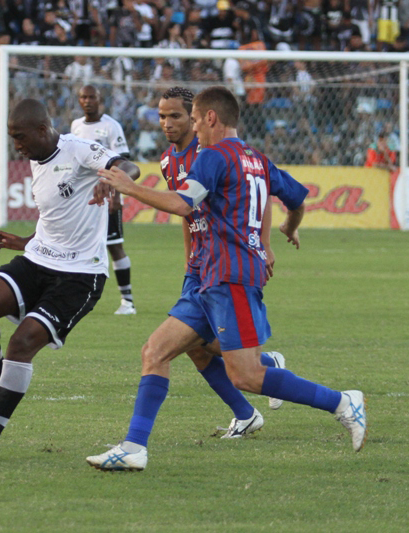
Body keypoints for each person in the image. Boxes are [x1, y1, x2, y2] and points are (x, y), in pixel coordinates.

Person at [86, 86, 367, 471]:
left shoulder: (214, 156)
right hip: (209, 274)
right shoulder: (257, 158)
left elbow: (184, 204)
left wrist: (131, 188)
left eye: (195, 120)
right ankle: (134, 447)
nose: (194, 129)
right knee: (156, 351)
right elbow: (298, 199)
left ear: (210, 119)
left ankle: (342, 401)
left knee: (247, 375)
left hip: (230, 272)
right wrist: (290, 225)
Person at [0, 99, 141, 464]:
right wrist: (22, 242)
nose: (16, 146)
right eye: (11, 138)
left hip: (80, 277)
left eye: (19, 137)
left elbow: (130, 166)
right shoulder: (38, 161)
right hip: (39, 260)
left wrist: (112, 181)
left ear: (41, 130)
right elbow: (56, 221)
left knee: (22, 344)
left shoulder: (78, 149)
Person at [154, 86, 288, 438]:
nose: (167, 124)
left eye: (176, 116)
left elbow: (258, 195)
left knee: (186, 345)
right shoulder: (169, 160)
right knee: (194, 349)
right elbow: (186, 214)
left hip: (225, 259)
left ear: (196, 117)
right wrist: (188, 265)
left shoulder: (212, 151)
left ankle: (264, 369)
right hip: (200, 263)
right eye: (161, 116)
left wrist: (266, 243)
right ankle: (245, 412)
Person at [70, 85, 137, 315]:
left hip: (107, 195)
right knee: (78, 245)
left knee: (115, 246)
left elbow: (124, 161)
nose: (87, 101)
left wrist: (116, 195)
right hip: (84, 198)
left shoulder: (111, 126)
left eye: (92, 97)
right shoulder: (76, 126)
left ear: (101, 100)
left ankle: (127, 301)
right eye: (83, 97)